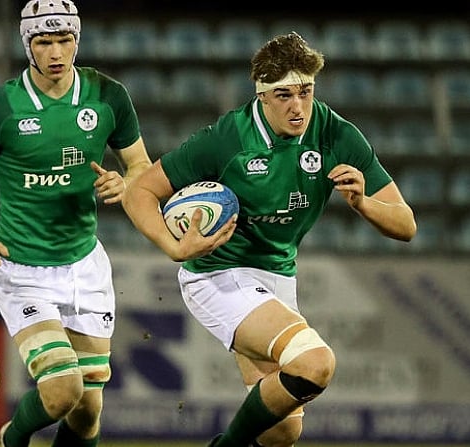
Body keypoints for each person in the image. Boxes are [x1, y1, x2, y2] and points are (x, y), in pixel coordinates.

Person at [122, 32, 417, 447]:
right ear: (261, 95)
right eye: (283, 95)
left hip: (277, 276)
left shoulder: (336, 134)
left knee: (282, 431)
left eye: (305, 92)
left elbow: (406, 225)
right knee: (316, 363)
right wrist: (174, 247)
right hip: (218, 272)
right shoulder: (227, 138)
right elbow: (139, 192)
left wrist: (365, 204)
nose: (297, 107)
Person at [0, 1, 152, 445]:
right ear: (27, 45)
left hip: (85, 266)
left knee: (88, 412)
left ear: (78, 40)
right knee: (61, 390)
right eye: (44, 42)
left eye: (65, 40)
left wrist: (124, 183)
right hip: (23, 271)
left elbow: (141, 167)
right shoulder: (0, 108)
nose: (56, 52)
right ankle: (10, 439)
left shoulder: (108, 96)